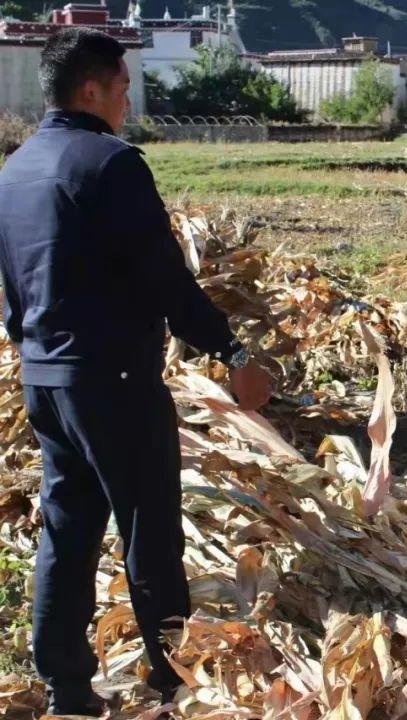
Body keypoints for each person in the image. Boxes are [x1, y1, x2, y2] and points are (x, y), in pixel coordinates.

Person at [0, 28, 274, 715]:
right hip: (114, 383)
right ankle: (169, 683)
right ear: (90, 90)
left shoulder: (16, 169)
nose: (127, 100)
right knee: (149, 532)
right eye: (121, 88)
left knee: (66, 530)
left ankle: (67, 687)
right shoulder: (111, 164)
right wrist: (233, 354)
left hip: (46, 379)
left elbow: (11, 287)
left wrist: (33, 351)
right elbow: (165, 280)